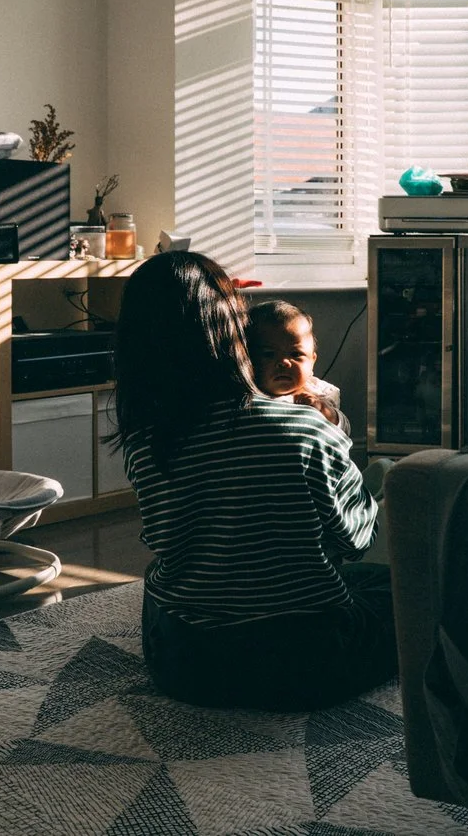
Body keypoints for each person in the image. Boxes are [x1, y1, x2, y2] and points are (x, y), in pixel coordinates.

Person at [109, 250, 397, 711]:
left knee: (161, 585)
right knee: (394, 589)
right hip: (305, 664)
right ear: (231, 331)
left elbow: (163, 540)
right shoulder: (304, 427)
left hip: (183, 664)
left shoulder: (145, 440)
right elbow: (356, 538)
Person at [246, 300, 351, 435]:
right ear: (247, 360)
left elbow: (344, 432)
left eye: (296, 354)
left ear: (312, 361)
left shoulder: (319, 392)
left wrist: (329, 414)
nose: (284, 362)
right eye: (269, 354)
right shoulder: (249, 397)